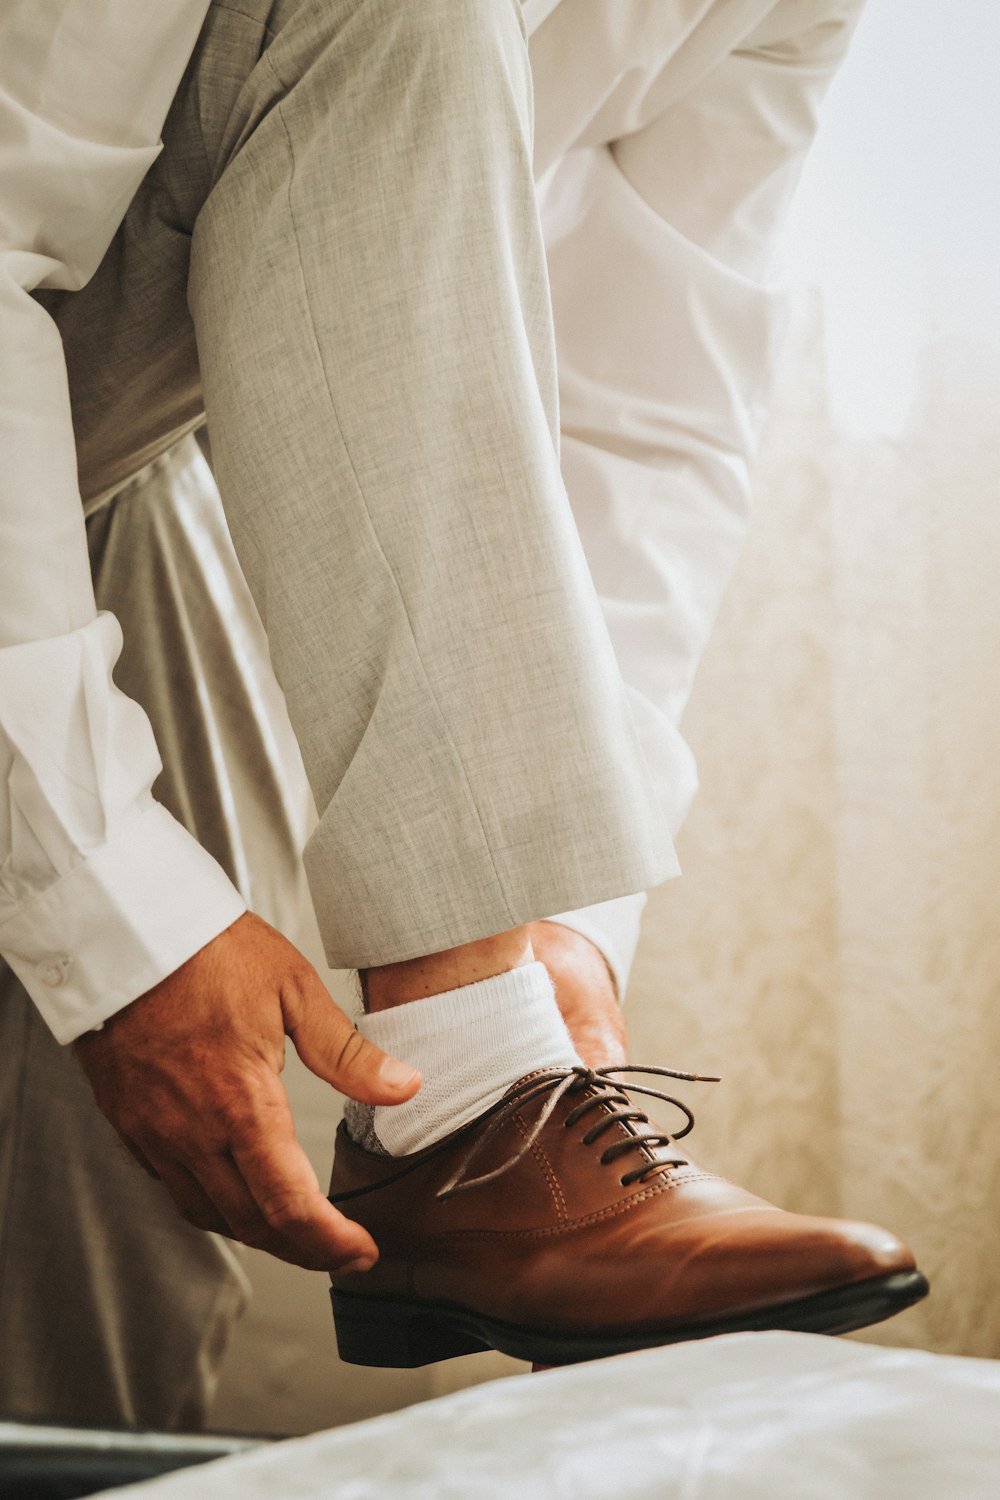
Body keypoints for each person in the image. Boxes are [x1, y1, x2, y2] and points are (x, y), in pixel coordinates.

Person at [0, 0, 926, 1428]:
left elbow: (647, 412)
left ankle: (480, 1104)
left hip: (117, 455)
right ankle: (474, 1118)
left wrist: (562, 919)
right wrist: (112, 922)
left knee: (113, 1295)